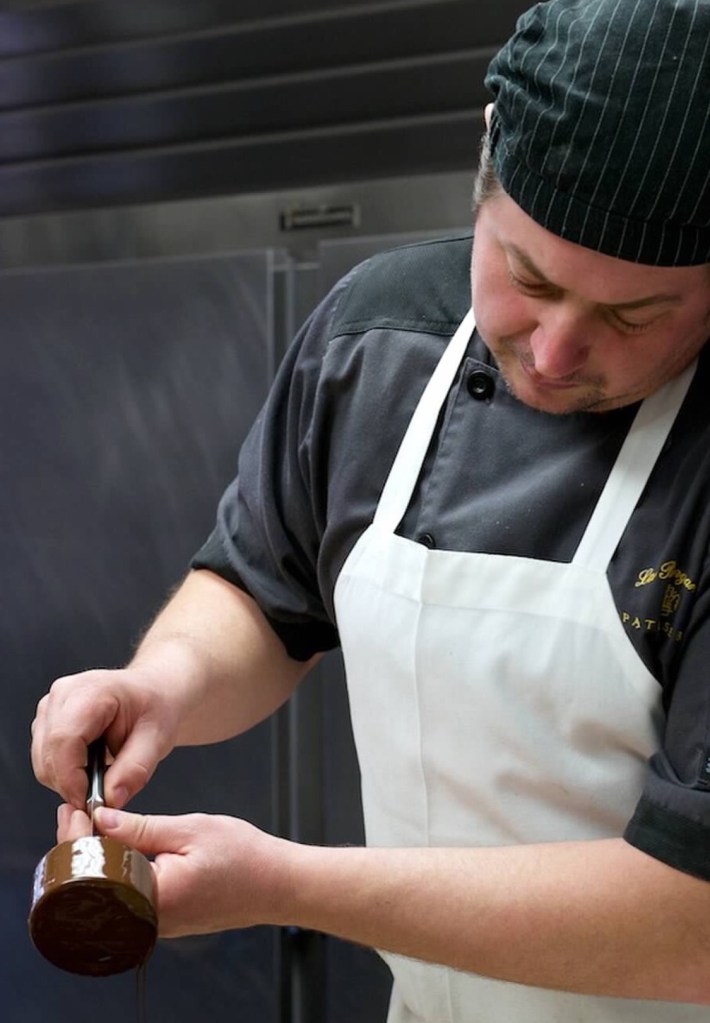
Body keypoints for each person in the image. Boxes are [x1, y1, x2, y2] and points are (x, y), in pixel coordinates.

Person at [31, 0, 710, 1019]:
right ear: (483, 161)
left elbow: (689, 925)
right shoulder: (377, 336)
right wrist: (161, 684)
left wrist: (283, 883)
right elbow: (265, 593)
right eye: (525, 277)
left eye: (630, 315)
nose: (553, 351)